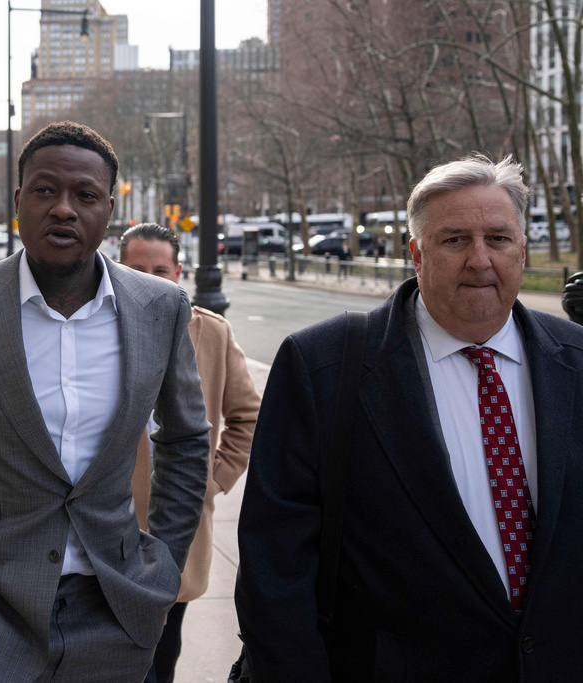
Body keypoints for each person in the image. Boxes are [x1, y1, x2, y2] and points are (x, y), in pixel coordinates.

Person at [0, 121, 211, 682]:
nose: (63, 209)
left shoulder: (161, 309)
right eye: (44, 191)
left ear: (109, 209)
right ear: (18, 202)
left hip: (115, 612)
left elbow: (184, 439)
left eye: (84, 195)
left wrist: (164, 565)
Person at [235, 155, 583, 680]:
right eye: (455, 240)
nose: (480, 260)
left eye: (499, 238)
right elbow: (275, 567)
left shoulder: (577, 360)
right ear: (416, 253)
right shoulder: (323, 366)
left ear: (523, 249)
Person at [119, 224, 261, 683]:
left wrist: (211, 481)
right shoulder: (95, 326)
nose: (151, 279)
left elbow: (247, 417)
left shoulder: (212, 332)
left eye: (161, 270)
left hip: (175, 523)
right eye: (137, 269)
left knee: (162, 649)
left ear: (178, 273)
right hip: (106, 520)